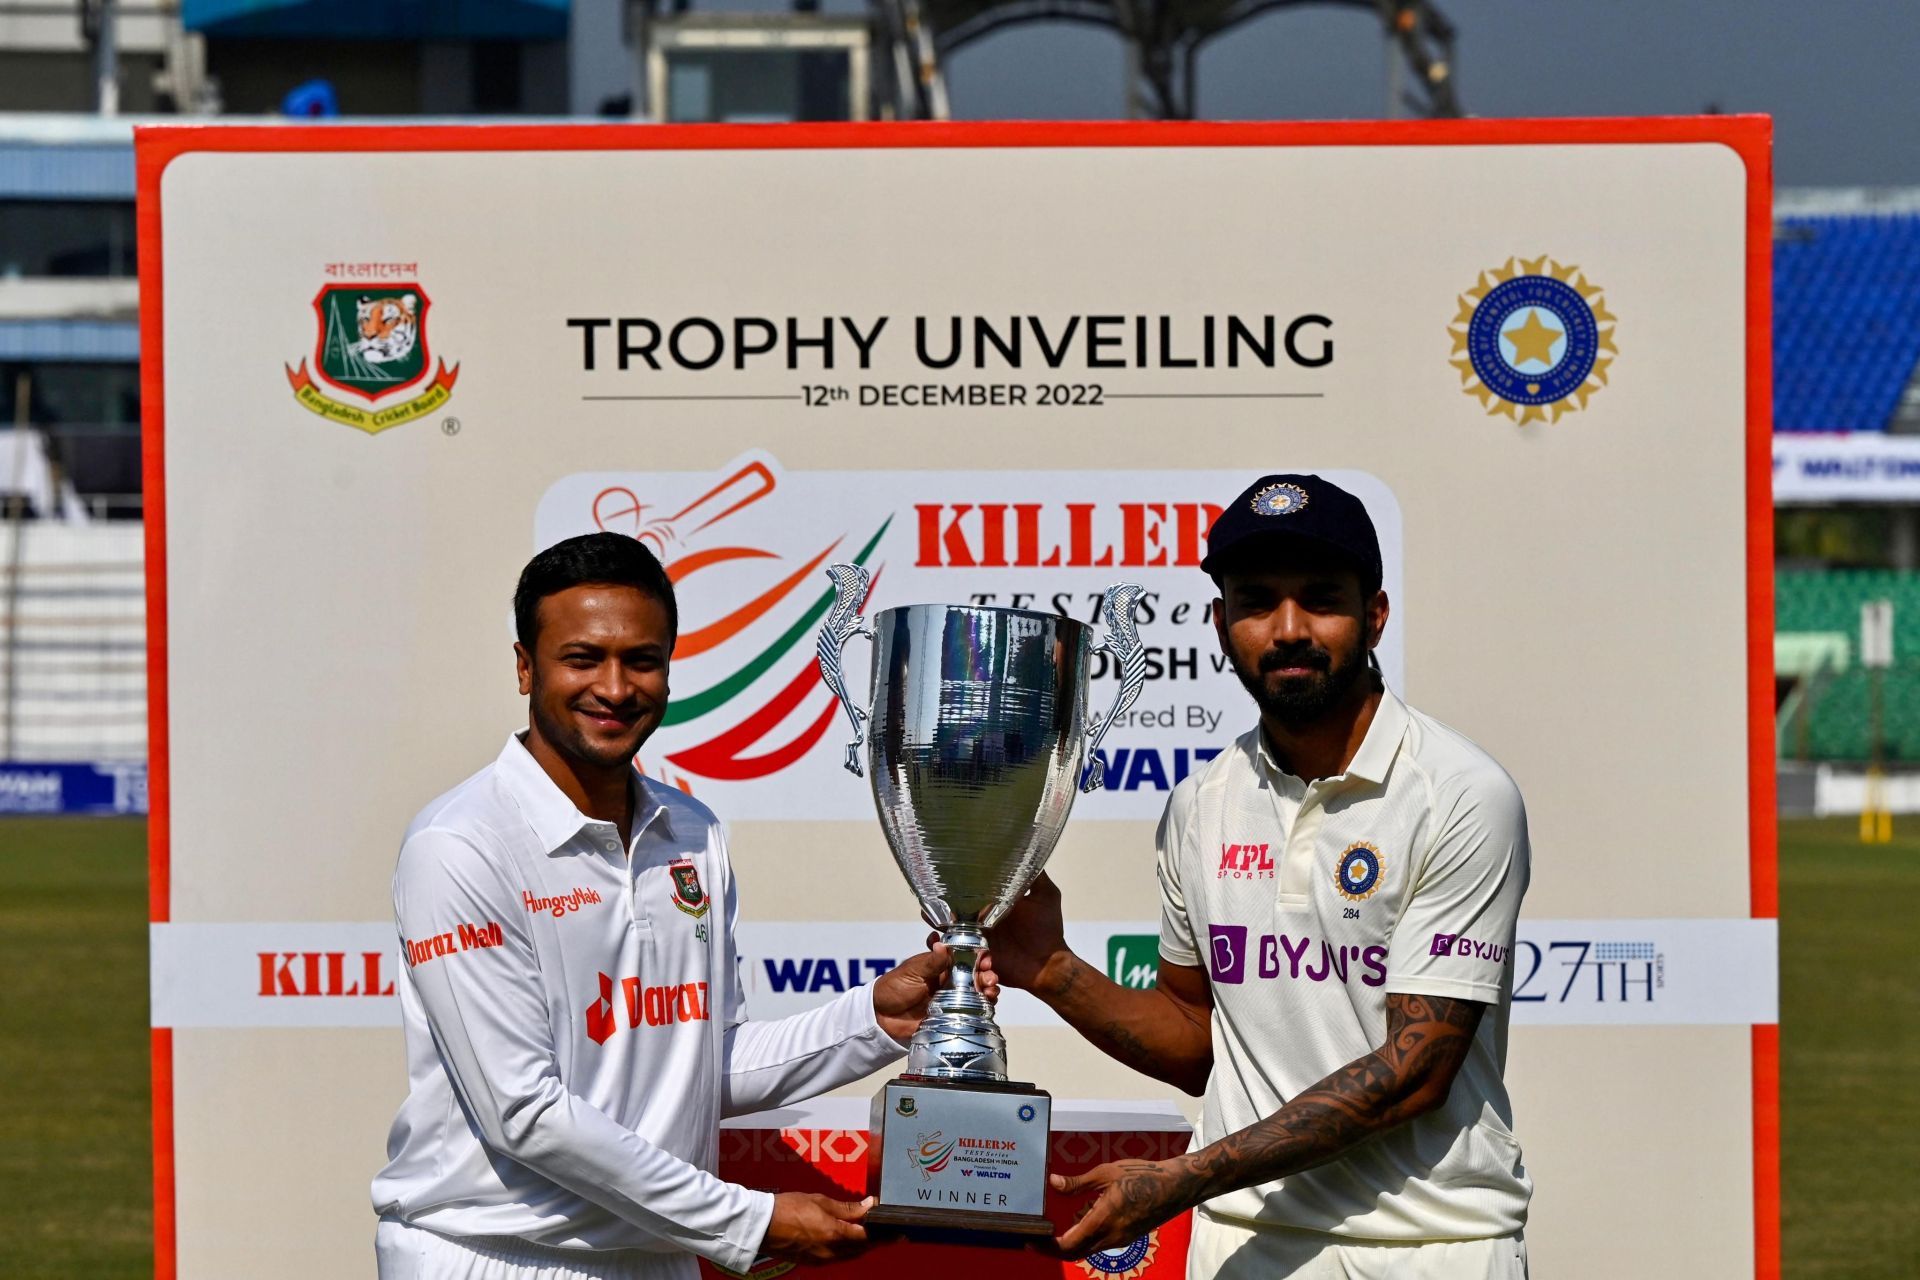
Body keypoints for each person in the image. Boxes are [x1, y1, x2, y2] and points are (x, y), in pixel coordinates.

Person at [372, 532, 979, 1279]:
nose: (617, 687)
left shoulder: (692, 832)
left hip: (655, 1254)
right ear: (525, 667)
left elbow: (699, 1070)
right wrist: (749, 1220)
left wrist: (875, 1021)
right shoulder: (461, 845)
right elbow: (523, 1113)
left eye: (643, 660)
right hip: (494, 1256)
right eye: (583, 658)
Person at [989, 474, 1531, 1278]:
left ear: (1374, 615)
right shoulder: (1201, 804)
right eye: (1255, 601)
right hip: (1244, 1245)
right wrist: (1053, 972)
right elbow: (1195, 1035)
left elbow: (1414, 1073)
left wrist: (1184, 1178)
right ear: (1219, 624)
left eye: (1320, 598)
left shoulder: (1458, 792)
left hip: (1433, 1245)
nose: (1287, 629)